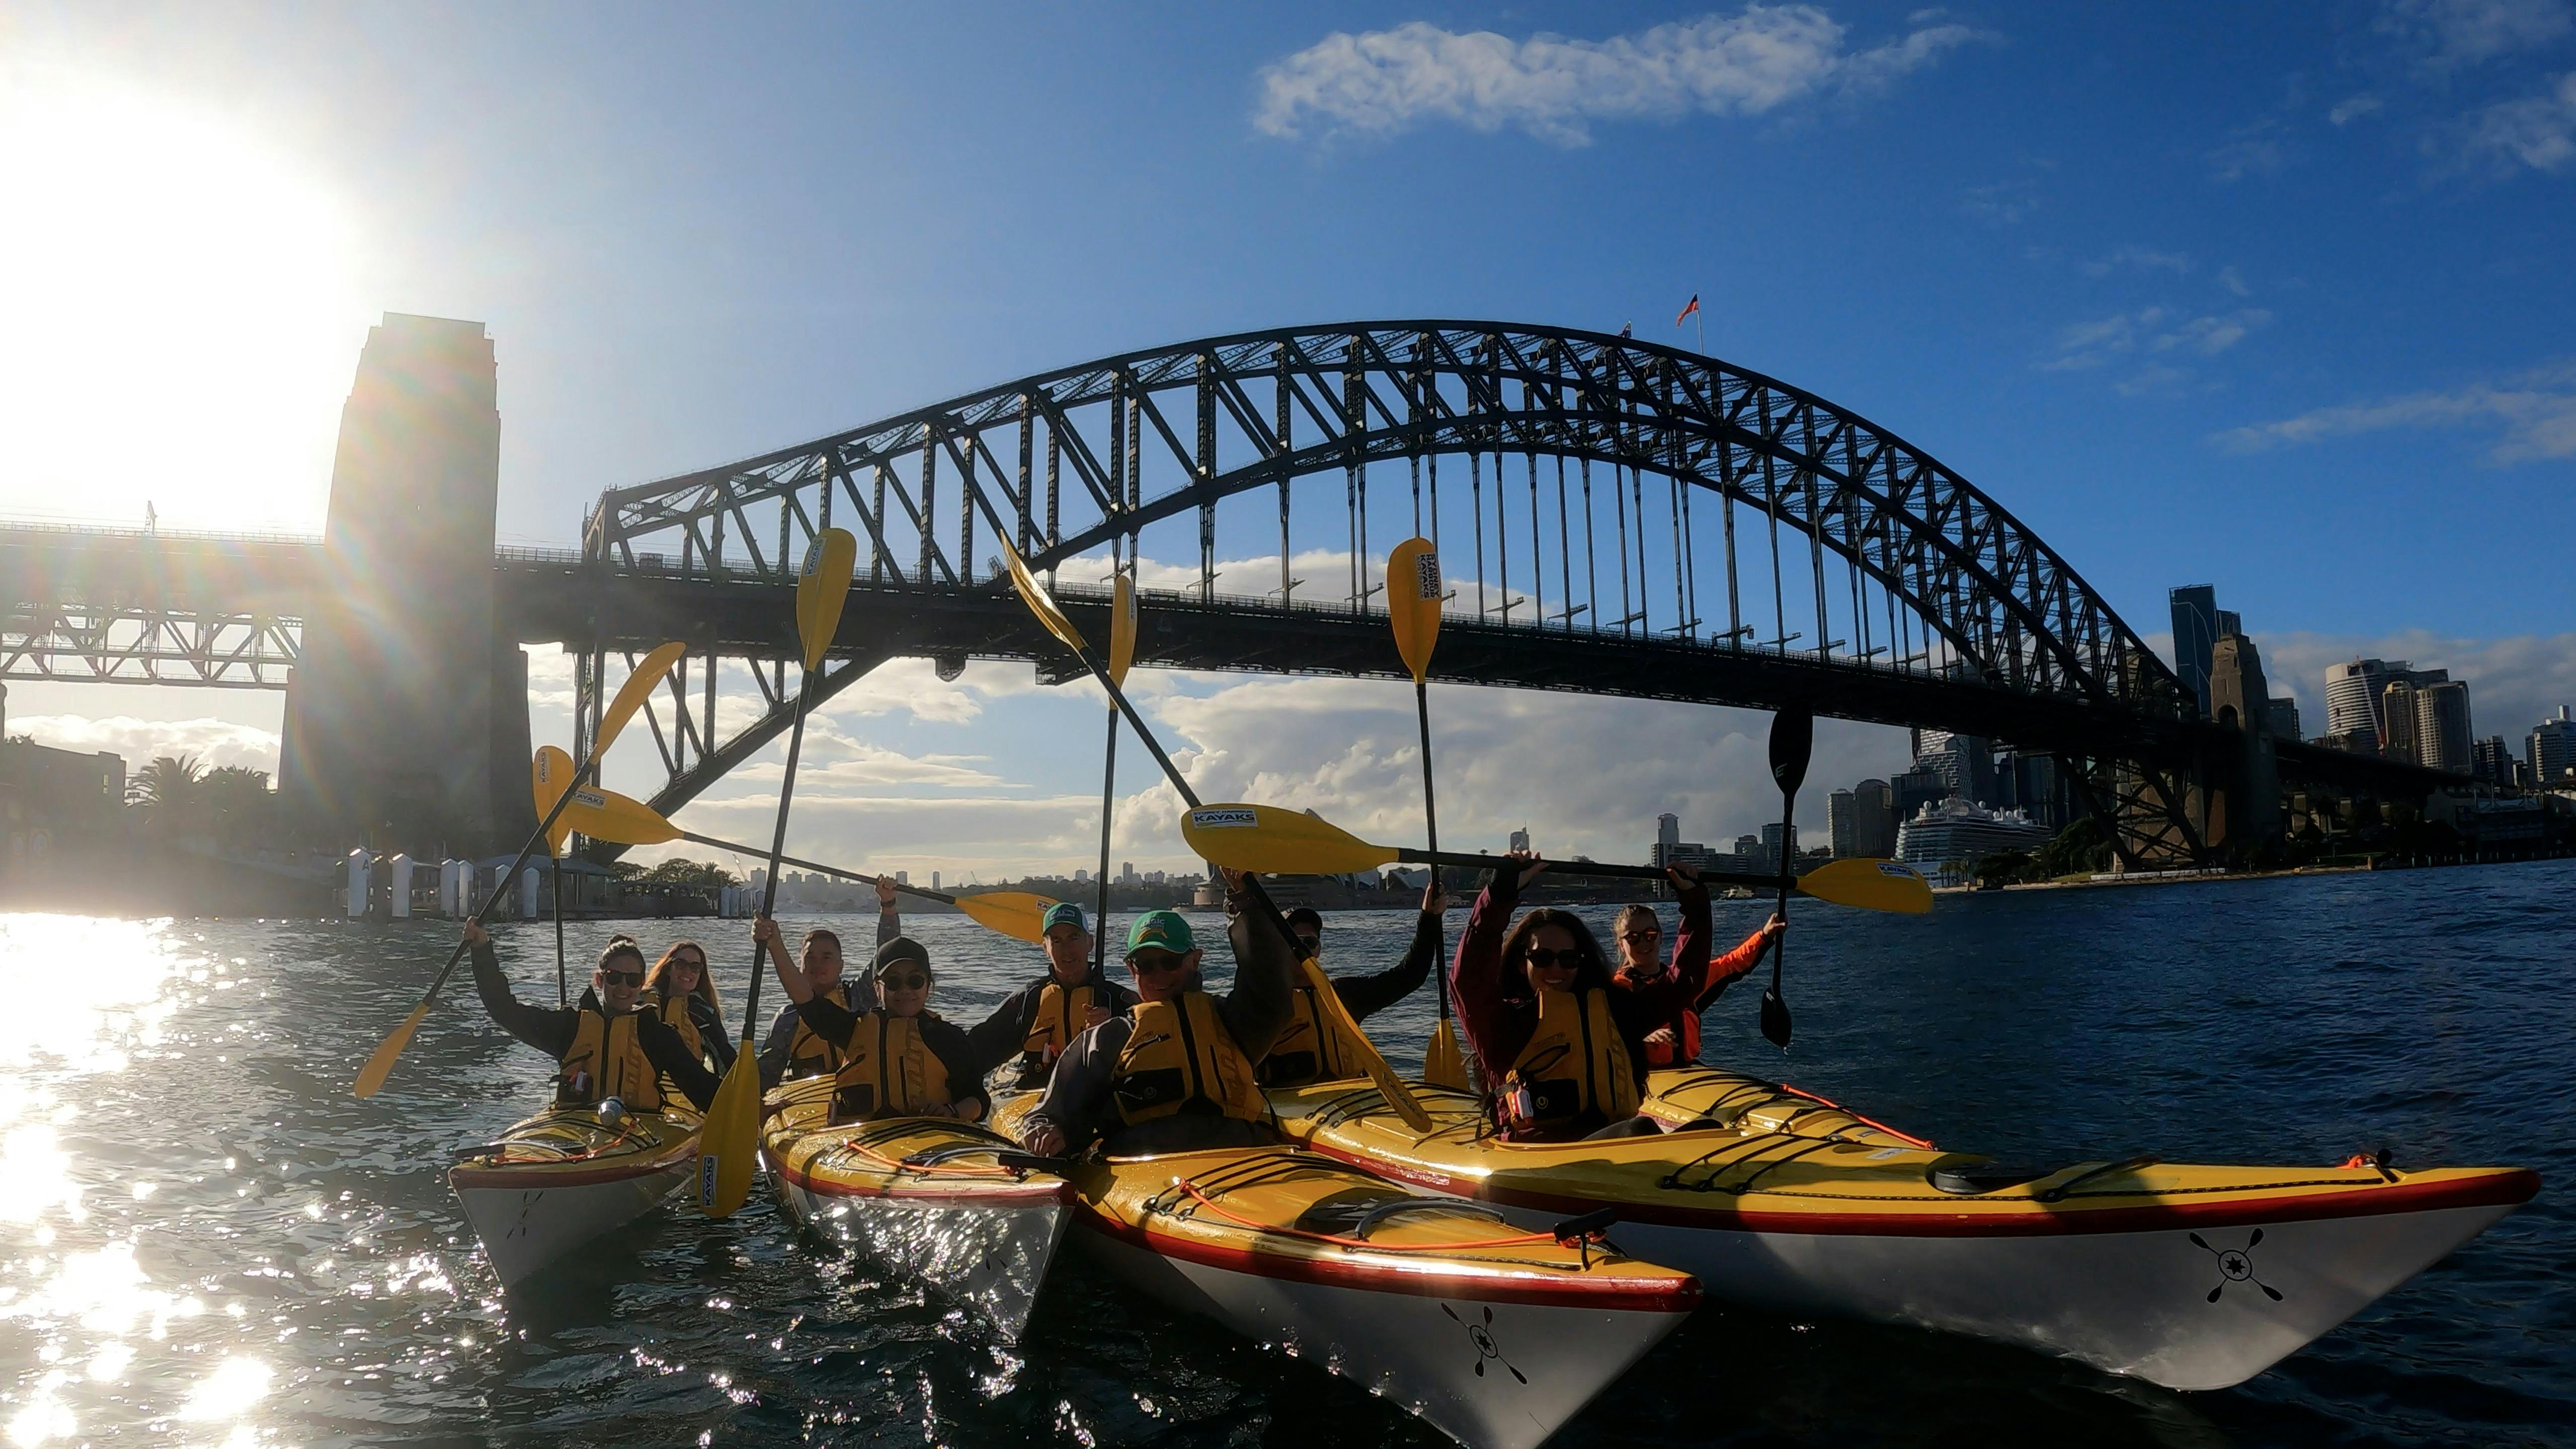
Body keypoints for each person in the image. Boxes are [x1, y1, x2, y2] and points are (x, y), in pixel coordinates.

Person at [1017, 877, 1296, 1159]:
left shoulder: (1233, 1020)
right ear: (1130, 969)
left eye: (1171, 961)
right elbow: (1052, 1112)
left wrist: (1244, 899)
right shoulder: (1107, 1040)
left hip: (1246, 1155)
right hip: (1148, 1167)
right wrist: (1045, 1129)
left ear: (1195, 960)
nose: (1159, 975)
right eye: (1145, 965)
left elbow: (1268, 982)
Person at [1449, 850, 1702, 1142]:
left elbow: (1683, 983)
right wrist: (1499, 894)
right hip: (1538, 1152)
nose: (1556, 968)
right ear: (1522, 963)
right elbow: (1468, 981)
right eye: (1543, 957)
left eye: (1568, 959)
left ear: (1581, 963)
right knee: (1640, 1129)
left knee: (1703, 1131)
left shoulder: (1615, 1010)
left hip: (1618, 1145)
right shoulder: (1504, 1025)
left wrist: (1694, 903)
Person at [758, 916, 990, 1124]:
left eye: (915, 981)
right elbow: (805, 1000)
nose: (905, 990)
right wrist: (775, 945)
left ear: (928, 986)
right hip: (866, 1141)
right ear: (877, 989)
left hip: (931, 1136)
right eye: (893, 982)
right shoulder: (855, 1029)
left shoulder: (950, 1037)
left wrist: (953, 1111)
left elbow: (979, 1099)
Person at [465, 924, 719, 1112]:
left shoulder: (657, 1034)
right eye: (613, 977)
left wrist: (749, 1106)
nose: (623, 987)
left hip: (640, 1132)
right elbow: (504, 1011)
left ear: (642, 984)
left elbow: (703, 1089)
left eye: (632, 980)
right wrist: (482, 950)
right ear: (600, 980)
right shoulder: (570, 1026)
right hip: (574, 1127)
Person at [1256, 883, 1447, 1088]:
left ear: (1318, 949)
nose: (1302, 949)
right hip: (1295, 1110)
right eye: (1293, 941)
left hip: (1351, 1105)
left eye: (1309, 943)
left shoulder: (1344, 994)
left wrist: (1429, 917)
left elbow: (1411, 976)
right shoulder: (1266, 1004)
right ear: (1278, 948)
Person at [961, 903, 1140, 1091]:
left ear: (1090, 942)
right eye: (1056, 940)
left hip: (1103, 1098)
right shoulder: (1029, 998)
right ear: (1045, 948)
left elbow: (1149, 1057)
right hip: (1039, 1098)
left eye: (1074, 938)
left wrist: (1116, 1030)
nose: (1067, 950)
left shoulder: (1120, 1000)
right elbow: (977, 1051)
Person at [1608, 892, 1786, 1071]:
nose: (1643, 943)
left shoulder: (1685, 982)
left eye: (1650, 934)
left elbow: (1732, 964)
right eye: (1633, 938)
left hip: (1688, 1073)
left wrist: (1765, 935)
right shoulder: (1616, 989)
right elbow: (1604, 1034)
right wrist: (1641, 1036)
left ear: (1660, 936)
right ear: (1621, 945)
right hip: (1643, 1075)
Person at [756, 874, 903, 1085]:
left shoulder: (858, 997)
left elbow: (887, 956)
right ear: (800, 966)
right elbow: (766, 1074)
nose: (818, 964)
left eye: (827, 957)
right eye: (811, 958)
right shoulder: (787, 1018)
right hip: (806, 1101)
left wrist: (887, 904)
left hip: (859, 1092)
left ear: (841, 966)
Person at [642, 940, 735, 1076]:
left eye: (695, 967)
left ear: (700, 974)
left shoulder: (703, 1014)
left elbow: (725, 1055)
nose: (687, 971)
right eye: (680, 965)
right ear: (669, 968)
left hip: (688, 1086)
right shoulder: (643, 1002)